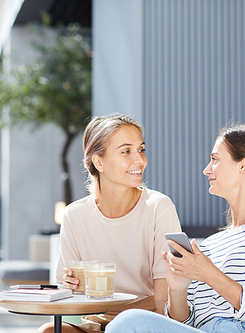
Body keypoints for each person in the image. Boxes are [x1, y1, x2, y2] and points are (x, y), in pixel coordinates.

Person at [105, 124, 245, 333]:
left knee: (129, 323)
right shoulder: (212, 245)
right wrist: (178, 289)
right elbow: (185, 325)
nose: (206, 169)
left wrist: (208, 273)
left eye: (215, 159)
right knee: (126, 323)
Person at [38, 114, 182, 333]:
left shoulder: (158, 207)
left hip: (143, 324)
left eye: (141, 149)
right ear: (98, 162)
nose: (139, 160)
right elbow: (66, 294)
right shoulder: (74, 215)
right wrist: (69, 286)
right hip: (97, 324)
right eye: (126, 151)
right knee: (48, 331)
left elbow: (166, 296)